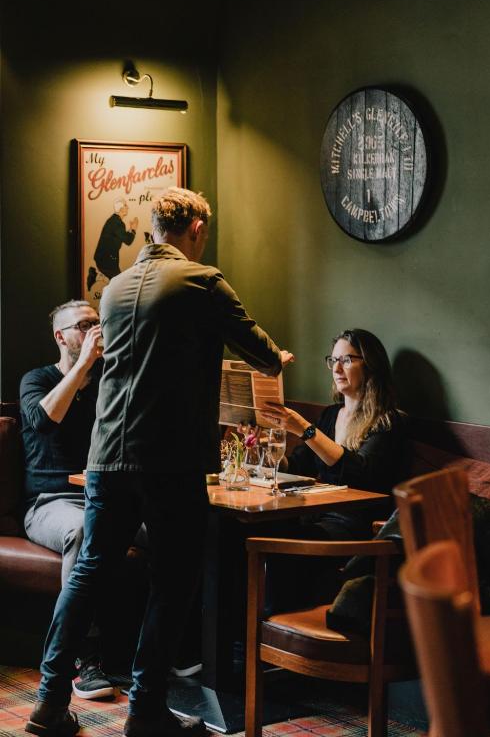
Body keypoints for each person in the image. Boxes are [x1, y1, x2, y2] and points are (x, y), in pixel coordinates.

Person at [26, 187, 293, 737]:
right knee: (173, 580)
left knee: (89, 571)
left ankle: (49, 701)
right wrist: (278, 358)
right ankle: (146, 709)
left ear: (152, 228)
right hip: (168, 460)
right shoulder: (203, 281)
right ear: (196, 229)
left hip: (106, 457)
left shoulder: (115, 288)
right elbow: (263, 355)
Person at [259, 328, 411, 610]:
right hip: (316, 517)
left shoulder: (388, 421)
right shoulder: (330, 415)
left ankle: (270, 626)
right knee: (246, 532)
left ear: (370, 365)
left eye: (347, 360)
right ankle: (240, 631)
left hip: (355, 528)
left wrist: (306, 430)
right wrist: (268, 449)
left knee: (278, 545)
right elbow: (298, 465)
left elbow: (362, 474)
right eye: (333, 360)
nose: (337, 368)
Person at [20, 300, 116, 700]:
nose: (94, 329)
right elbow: (44, 420)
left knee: (172, 529)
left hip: (105, 497)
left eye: (98, 321)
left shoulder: (110, 380)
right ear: (61, 336)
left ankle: (180, 649)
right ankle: (83, 658)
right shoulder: (37, 379)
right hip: (49, 503)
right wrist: (83, 366)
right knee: (81, 530)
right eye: (83, 324)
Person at [93, 198, 139, 280]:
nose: (128, 207)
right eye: (125, 205)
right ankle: (94, 276)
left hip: (105, 258)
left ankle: (95, 275)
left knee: (117, 281)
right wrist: (134, 229)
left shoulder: (114, 220)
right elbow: (128, 241)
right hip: (106, 260)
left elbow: (122, 235)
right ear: (121, 209)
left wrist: (131, 229)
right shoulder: (117, 223)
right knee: (119, 281)